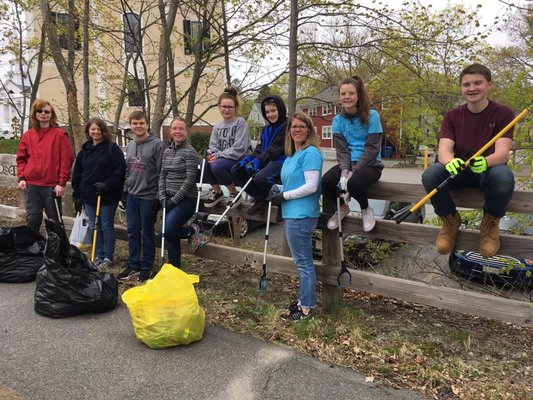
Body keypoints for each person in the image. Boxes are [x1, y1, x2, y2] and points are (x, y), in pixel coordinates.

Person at [422, 63, 515, 258]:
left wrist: (486, 161)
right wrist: (450, 162)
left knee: (503, 175)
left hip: (489, 171)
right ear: (461, 88)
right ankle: (450, 220)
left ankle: (489, 224)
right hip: (460, 171)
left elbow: (502, 153)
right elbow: (444, 150)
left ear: (489, 84)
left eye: (477, 83)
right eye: (466, 84)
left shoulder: (504, 114)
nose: (471, 88)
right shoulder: (452, 116)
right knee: (431, 174)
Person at [268, 112, 323, 321]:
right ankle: (302, 301)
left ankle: (306, 309)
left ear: (309, 129)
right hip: (291, 212)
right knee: (301, 261)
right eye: (293, 126)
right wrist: (277, 188)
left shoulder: (311, 153)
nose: (297, 129)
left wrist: (284, 196)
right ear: (289, 131)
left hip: (302, 214)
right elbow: (294, 182)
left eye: (302, 126)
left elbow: (311, 186)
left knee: (304, 263)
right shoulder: (292, 155)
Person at [321, 76, 384, 233]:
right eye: (343, 94)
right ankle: (342, 207)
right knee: (327, 181)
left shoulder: (372, 116)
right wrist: (344, 170)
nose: (347, 97)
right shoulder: (337, 120)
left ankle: (365, 209)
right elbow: (342, 150)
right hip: (348, 163)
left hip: (370, 165)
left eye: (351, 93)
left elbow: (372, 147)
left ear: (358, 95)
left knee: (353, 183)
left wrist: (354, 171)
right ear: (339, 97)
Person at [71, 117, 126, 270]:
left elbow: (119, 171)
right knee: (95, 225)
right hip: (89, 196)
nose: (96, 132)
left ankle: (108, 256)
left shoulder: (112, 149)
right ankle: (98, 254)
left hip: (107, 196)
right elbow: (78, 174)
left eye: (98, 129)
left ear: (103, 130)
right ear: (88, 131)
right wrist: (78, 196)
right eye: (92, 129)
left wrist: (107, 185)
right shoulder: (85, 150)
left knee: (106, 225)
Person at [117, 111, 165, 282]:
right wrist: (124, 191)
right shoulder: (130, 145)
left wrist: (159, 197)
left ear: (147, 124)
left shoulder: (157, 145)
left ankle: (146, 267)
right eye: (135, 123)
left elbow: (162, 172)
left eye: (141, 123)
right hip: (132, 195)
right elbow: (128, 170)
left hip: (149, 196)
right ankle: (133, 265)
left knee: (147, 233)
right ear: (130, 125)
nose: (138, 126)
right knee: (132, 232)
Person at [16, 99, 74, 233]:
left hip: (52, 185)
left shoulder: (60, 135)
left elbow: (67, 160)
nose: (43, 114)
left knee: (54, 221)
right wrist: (22, 177)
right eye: (39, 111)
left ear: (51, 114)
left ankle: (56, 250)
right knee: (33, 218)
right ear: (35, 114)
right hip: (32, 185)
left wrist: (61, 182)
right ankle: (31, 250)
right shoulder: (28, 136)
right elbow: (21, 159)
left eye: (47, 111)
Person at [231, 95, 287, 215]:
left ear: (280, 109)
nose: (270, 114)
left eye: (273, 111)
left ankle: (269, 198)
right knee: (236, 170)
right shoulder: (266, 128)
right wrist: (248, 160)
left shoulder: (286, 126)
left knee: (260, 176)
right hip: (265, 159)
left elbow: (274, 150)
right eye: (267, 112)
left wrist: (258, 162)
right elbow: (259, 148)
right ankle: (260, 197)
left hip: (280, 160)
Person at [158, 117, 202, 268]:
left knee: (167, 231)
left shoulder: (190, 153)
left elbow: (190, 180)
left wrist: (174, 200)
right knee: (170, 237)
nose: (177, 131)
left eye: (181, 128)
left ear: (186, 131)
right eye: (174, 128)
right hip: (168, 197)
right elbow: (162, 175)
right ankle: (175, 269)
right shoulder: (167, 151)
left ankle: (191, 230)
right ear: (170, 131)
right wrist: (162, 196)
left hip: (186, 199)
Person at [203, 86, 252, 208]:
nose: (227, 109)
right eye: (224, 106)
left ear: (235, 108)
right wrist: (212, 154)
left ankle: (234, 193)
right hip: (224, 159)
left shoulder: (240, 123)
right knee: (206, 162)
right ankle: (217, 192)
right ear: (219, 107)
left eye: (230, 107)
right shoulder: (217, 126)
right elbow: (213, 146)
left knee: (216, 164)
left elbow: (239, 148)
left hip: (240, 160)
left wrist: (218, 155)